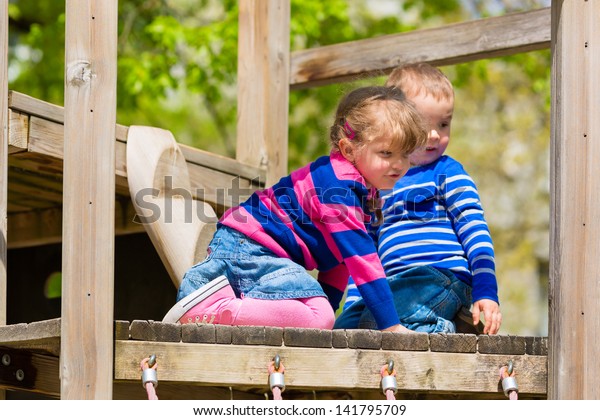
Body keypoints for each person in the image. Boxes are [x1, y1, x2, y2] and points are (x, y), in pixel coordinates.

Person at [162, 85, 429, 333]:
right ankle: (214, 310)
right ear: (349, 149)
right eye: (386, 154)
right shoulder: (337, 188)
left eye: (404, 154)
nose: (399, 164)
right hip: (250, 249)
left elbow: (339, 263)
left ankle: (227, 305)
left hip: (259, 253)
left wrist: (327, 319)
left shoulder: (360, 193)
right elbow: (363, 263)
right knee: (317, 317)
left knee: (318, 318)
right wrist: (390, 325)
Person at [335, 63, 502, 335]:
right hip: (393, 286)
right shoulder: (379, 184)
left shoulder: (447, 173)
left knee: (385, 318)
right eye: (423, 124)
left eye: (444, 123)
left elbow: (475, 231)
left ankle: (443, 334)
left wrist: (486, 290)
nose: (435, 134)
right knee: (346, 328)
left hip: (439, 277)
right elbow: (366, 254)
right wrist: (357, 302)